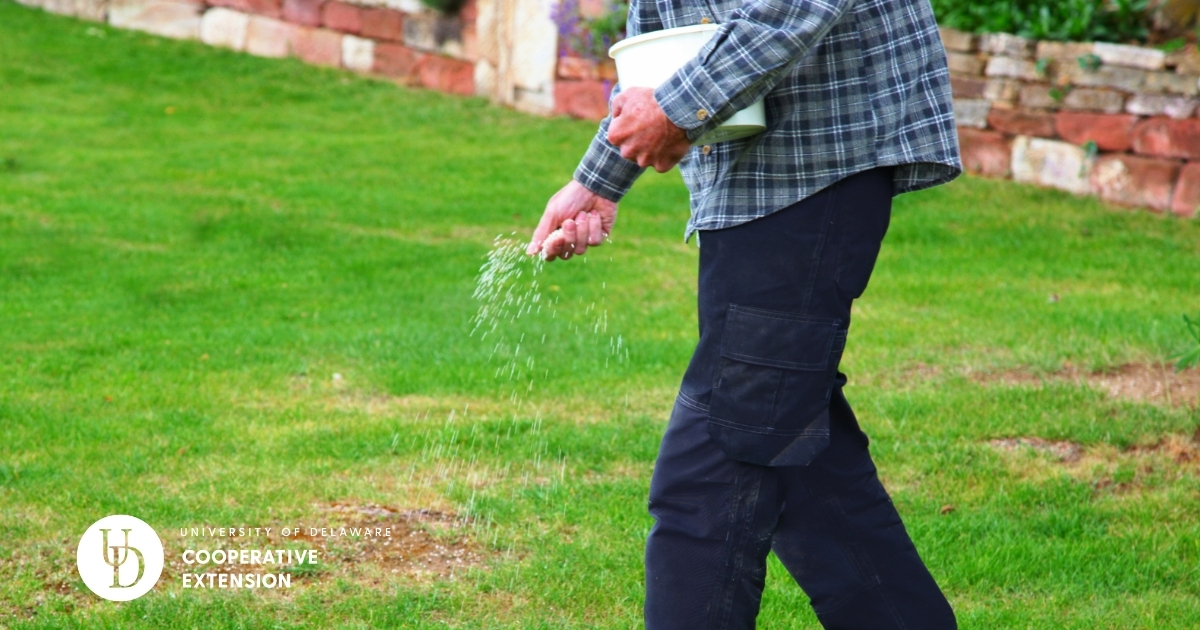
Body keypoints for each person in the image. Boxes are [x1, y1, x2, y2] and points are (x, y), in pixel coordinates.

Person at [526, 0, 962, 627]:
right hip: (745, 184)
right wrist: (600, 178)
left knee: (710, 472)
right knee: (797, 452)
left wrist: (676, 110)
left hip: (815, 166)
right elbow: (660, 37)